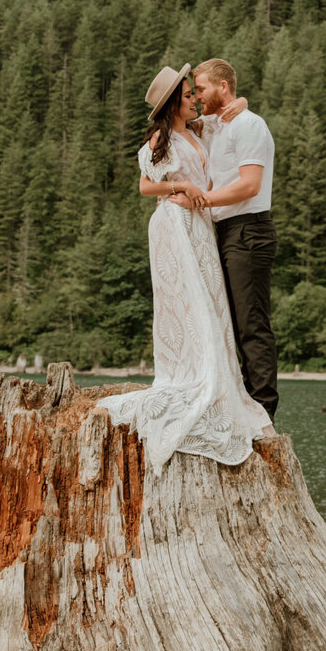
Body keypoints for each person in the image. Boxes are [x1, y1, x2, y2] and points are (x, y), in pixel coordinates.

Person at [97, 64, 274, 473]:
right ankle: (194, 375)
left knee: (215, 305)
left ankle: (235, 391)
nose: (196, 97)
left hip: (203, 224)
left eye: (200, 91)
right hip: (176, 222)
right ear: (176, 99)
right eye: (190, 93)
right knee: (191, 300)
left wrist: (240, 102)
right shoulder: (164, 135)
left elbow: (229, 110)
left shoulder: (199, 130)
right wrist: (182, 188)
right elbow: (145, 184)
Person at [172, 58, 279, 424]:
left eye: (201, 89)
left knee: (252, 326)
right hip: (228, 232)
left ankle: (264, 416)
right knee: (230, 325)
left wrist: (200, 199)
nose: (197, 96)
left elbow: (249, 185)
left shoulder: (249, 125)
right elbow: (176, 120)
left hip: (250, 231)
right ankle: (243, 409)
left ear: (223, 88)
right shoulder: (216, 125)